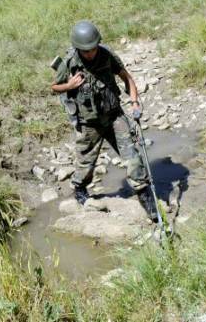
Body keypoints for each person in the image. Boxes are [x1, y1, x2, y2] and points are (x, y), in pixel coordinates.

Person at [51, 20, 156, 220]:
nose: (91, 53)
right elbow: (54, 87)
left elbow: (127, 78)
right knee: (86, 163)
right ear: (78, 48)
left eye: (93, 48)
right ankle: (80, 189)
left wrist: (134, 101)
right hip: (89, 122)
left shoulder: (106, 55)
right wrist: (69, 85)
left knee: (133, 155)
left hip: (114, 116)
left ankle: (145, 196)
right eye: (86, 50)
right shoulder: (69, 62)